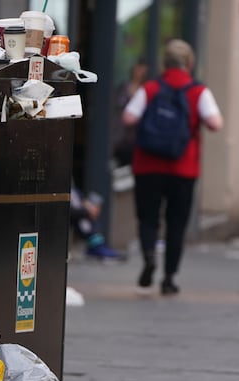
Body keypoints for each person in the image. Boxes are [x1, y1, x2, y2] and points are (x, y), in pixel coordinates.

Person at [122, 39, 223, 295]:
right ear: (190, 63)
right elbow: (215, 123)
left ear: (164, 63)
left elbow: (129, 117)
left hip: (148, 165)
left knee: (148, 218)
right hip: (183, 168)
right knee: (176, 223)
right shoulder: (198, 91)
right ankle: (168, 278)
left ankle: (148, 258)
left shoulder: (151, 88)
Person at [70, 186, 126, 261]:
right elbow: (69, 212)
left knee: (93, 214)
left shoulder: (74, 191)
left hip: (82, 213)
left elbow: (83, 199)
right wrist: (87, 212)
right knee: (87, 219)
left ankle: (98, 244)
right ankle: (96, 246)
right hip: (75, 218)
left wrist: (89, 207)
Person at [113, 59, 148, 167]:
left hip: (139, 140)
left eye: (143, 69)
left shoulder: (147, 90)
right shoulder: (123, 88)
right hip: (121, 139)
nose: (140, 72)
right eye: (138, 67)